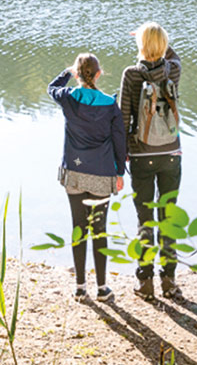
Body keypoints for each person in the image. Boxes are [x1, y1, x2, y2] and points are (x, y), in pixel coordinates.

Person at [48, 53, 126, 303]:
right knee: (100, 230)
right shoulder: (109, 104)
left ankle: (80, 287)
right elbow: (119, 141)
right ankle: (102, 288)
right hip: (102, 174)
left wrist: (67, 73)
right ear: (100, 74)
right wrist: (120, 173)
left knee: (78, 228)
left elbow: (52, 88)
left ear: (78, 75)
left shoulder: (69, 99)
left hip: (74, 173)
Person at [118, 22, 182, 300]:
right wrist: (157, 41)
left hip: (142, 155)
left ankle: (145, 283)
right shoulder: (174, 70)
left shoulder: (131, 75)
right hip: (171, 152)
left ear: (140, 45)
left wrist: (121, 159)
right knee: (168, 218)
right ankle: (169, 282)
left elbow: (123, 118)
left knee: (145, 220)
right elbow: (172, 56)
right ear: (165, 45)